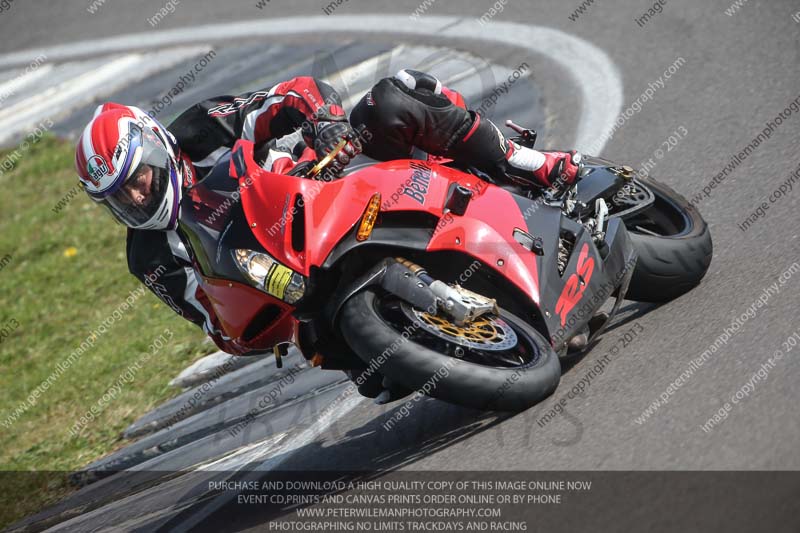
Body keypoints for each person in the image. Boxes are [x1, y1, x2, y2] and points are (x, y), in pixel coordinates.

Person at [73, 70, 580, 393]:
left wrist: (325, 123)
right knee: (370, 375)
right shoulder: (149, 257)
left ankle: (533, 165)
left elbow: (290, 94)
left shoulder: (201, 128)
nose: (136, 200)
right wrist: (242, 321)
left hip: (327, 185)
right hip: (295, 281)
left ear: (156, 148)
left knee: (393, 99)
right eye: (118, 198)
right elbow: (213, 322)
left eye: (137, 181)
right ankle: (445, 337)